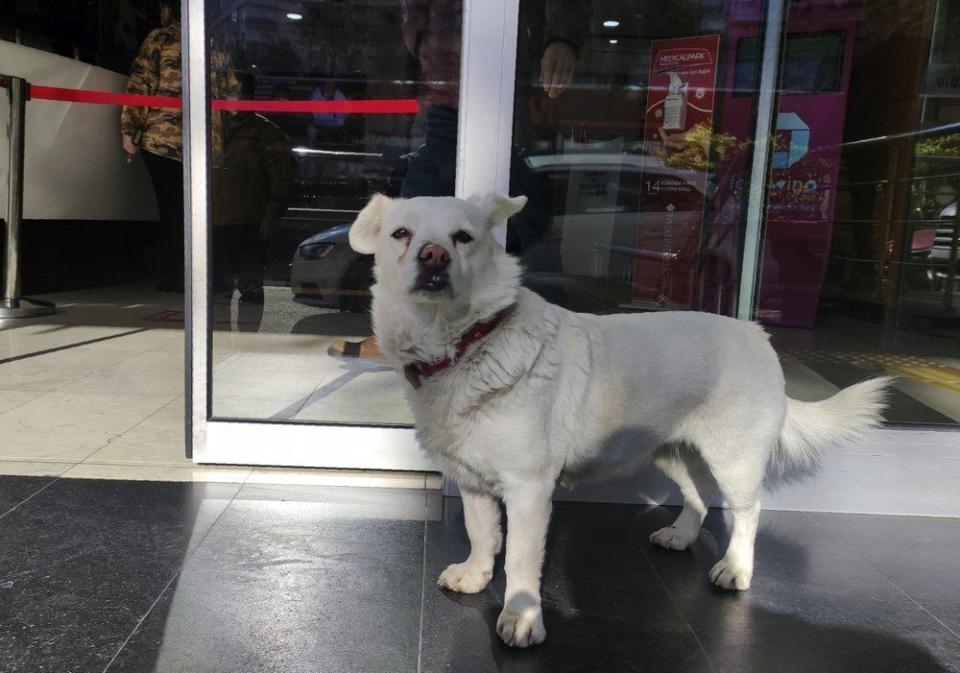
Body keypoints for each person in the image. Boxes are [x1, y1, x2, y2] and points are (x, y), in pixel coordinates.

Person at [328, 0, 588, 358]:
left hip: (504, 74)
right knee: (424, 202)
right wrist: (418, 31)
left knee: (519, 216)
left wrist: (562, 37)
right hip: (441, 80)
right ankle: (403, 335)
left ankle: (550, 332)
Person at [121, 0, 239, 294]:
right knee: (201, 212)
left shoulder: (158, 39)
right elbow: (233, 97)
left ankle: (176, 274)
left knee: (172, 210)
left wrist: (129, 130)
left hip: (162, 141)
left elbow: (141, 85)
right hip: (204, 144)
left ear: (168, 10)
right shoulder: (213, 44)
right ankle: (208, 276)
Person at [211, 73, 294, 332]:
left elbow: (279, 177)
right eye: (228, 92)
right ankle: (218, 341)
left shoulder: (266, 132)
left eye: (236, 92)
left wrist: (272, 213)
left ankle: (247, 342)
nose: (232, 98)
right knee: (218, 287)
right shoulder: (211, 127)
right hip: (214, 219)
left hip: (249, 220)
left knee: (250, 285)